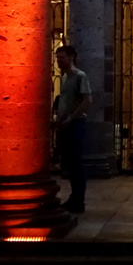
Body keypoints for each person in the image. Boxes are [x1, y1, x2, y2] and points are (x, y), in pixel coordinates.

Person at [53, 44, 91, 213]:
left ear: (71, 57)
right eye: (57, 58)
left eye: (61, 57)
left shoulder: (79, 76)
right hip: (66, 125)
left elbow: (87, 100)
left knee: (75, 163)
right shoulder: (65, 78)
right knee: (69, 163)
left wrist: (70, 117)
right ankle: (74, 198)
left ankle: (78, 201)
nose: (58, 61)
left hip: (75, 124)